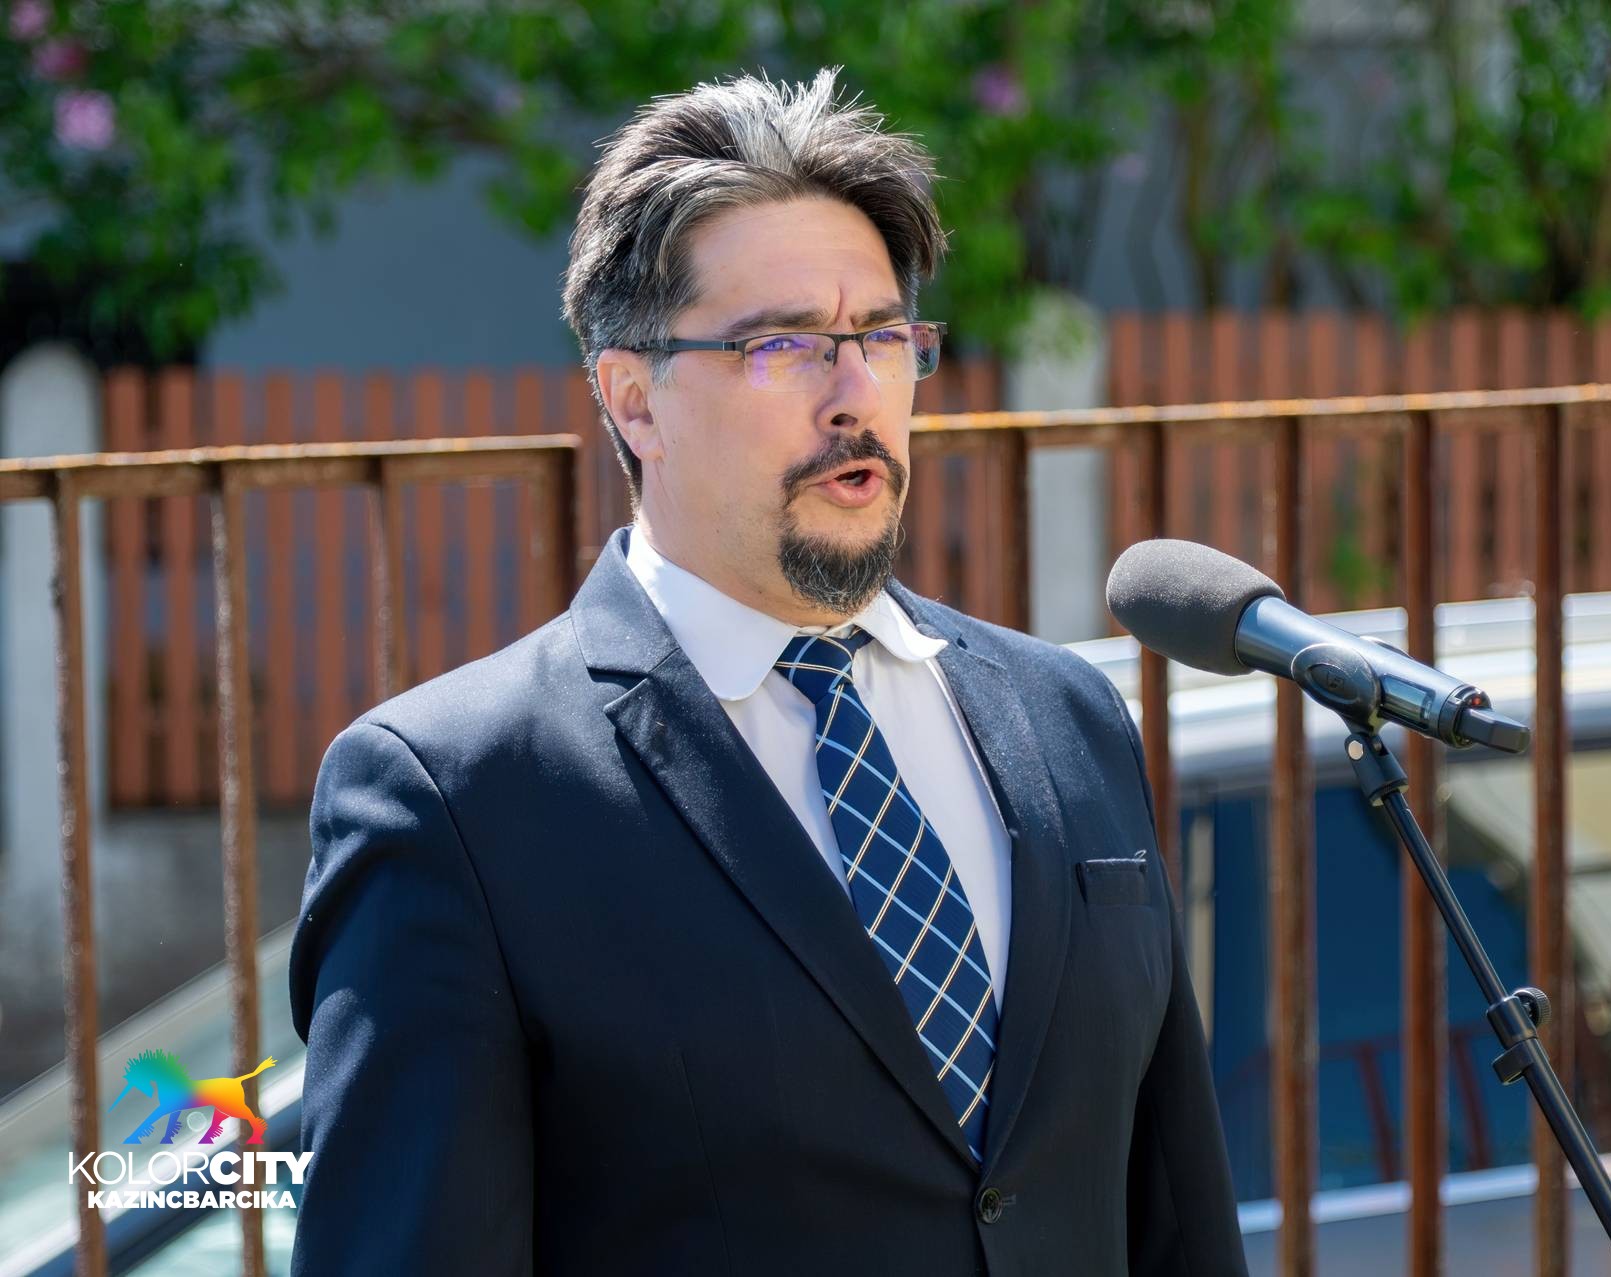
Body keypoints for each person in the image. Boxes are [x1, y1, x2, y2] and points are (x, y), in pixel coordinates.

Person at [289, 66, 1247, 1276]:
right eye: (783, 343)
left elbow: (1174, 1213)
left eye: (884, 337)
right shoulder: (458, 796)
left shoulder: (1067, 716)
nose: (855, 394)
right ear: (634, 400)